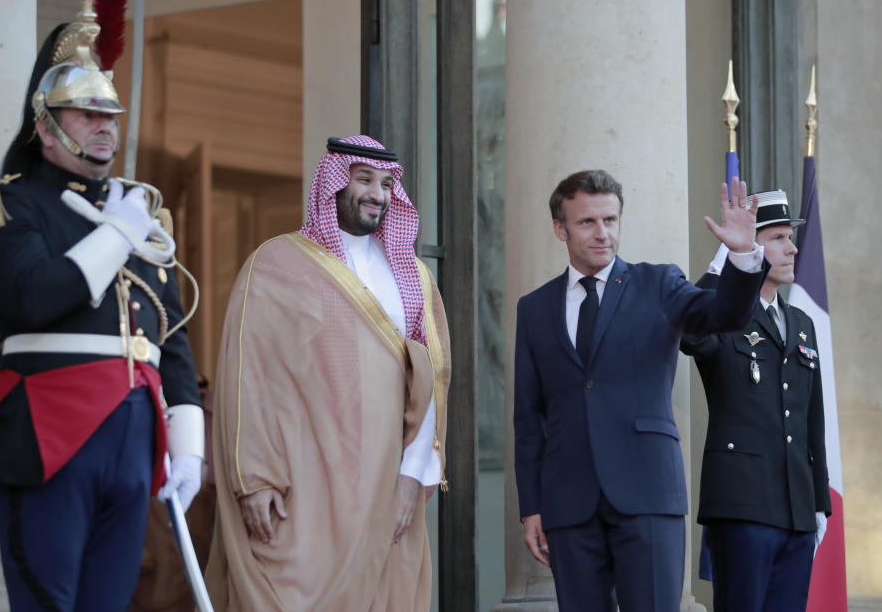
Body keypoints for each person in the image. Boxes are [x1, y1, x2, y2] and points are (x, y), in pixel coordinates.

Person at [0, 0, 203, 611]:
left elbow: (169, 337)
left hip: (133, 440)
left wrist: (188, 444)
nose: (103, 127)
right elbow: (31, 298)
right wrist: (117, 234)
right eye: (85, 113)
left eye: (109, 115)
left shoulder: (142, 214)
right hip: (49, 433)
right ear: (45, 124)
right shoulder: (8, 204)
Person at [205, 135, 450, 611]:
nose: (376, 194)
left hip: (383, 480)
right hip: (303, 486)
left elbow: (430, 380)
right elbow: (248, 379)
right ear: (334, 184)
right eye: (363, 180)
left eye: (385, 184)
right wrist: (253, 480)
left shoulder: (413, 276)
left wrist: (411, 476)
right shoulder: (275, 265)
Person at [513, 169, 767, 612]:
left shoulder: (659, 284)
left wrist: (743, 256)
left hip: (648, 494)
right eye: (587, 222)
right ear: (561, 229)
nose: (602, 233)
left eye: (610, 220)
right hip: (569, 501)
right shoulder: (534, 308)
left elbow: (723, 316)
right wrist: (531, 506)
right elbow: (528, 415)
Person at [680, 189, 830, 612]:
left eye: (790, 237)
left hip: (797, 508)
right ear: (751, 246)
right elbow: (691, 334)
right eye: (779, 237)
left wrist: (818, 503)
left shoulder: (801, 324)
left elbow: (810, 419)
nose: (792, 247)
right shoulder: (724, 315)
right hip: (744, 504)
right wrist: (726, 260)